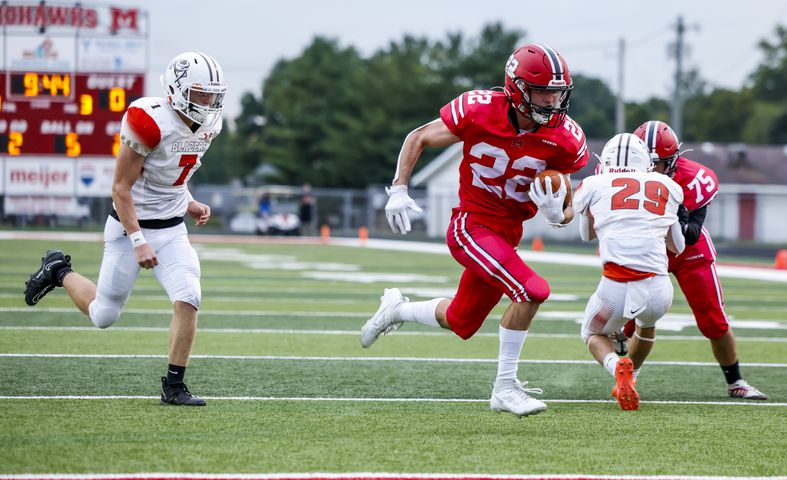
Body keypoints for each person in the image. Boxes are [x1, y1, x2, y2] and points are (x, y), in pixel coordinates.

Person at [360, 43, 589, 417]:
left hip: (508, 232)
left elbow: (568, 209)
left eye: (558, 92)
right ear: (516, 89)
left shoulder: (564, 137)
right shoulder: (480, 109)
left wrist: (555, 213)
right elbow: (419, 136)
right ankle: (505, 387)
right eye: (544, 91)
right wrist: (399, 187)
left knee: (462, 321)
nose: (552, 101)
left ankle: (396, 310)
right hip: (472, 224)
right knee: (533, 290)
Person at [23, 51, 228, 406]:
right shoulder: (147, 119)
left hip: (171, 228)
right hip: (129, 226)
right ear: (178, 90)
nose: (208, 102)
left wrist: (188, 201)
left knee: (189, 297)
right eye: (200, 93)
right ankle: (59, 270)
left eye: (212, 94)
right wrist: (137, 241)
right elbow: (120, 189)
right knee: (104, 315)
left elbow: (171, 173)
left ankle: (174, 386)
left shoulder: (211, 124)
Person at [619, 120, 768, 400]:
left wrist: (677, 218)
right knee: (629, 320)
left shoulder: (695, 179)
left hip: (690, 253)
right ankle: (625, 377)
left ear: (673, 160)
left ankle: (736, 381)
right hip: (648, 251)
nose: (650, 171)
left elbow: (691, 234)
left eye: (658, 164)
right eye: (644, 163)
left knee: (713, 320)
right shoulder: (619, 175)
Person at [573, 133, 685, 411]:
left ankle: (616, 368)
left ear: (606, 161)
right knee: (647, 325)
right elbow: (678, 246)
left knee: (592, 333)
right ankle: (631, 377)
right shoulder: (666, 185)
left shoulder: (592, 184)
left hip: (616, 287)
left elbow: (586, 236)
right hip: (659, 289)